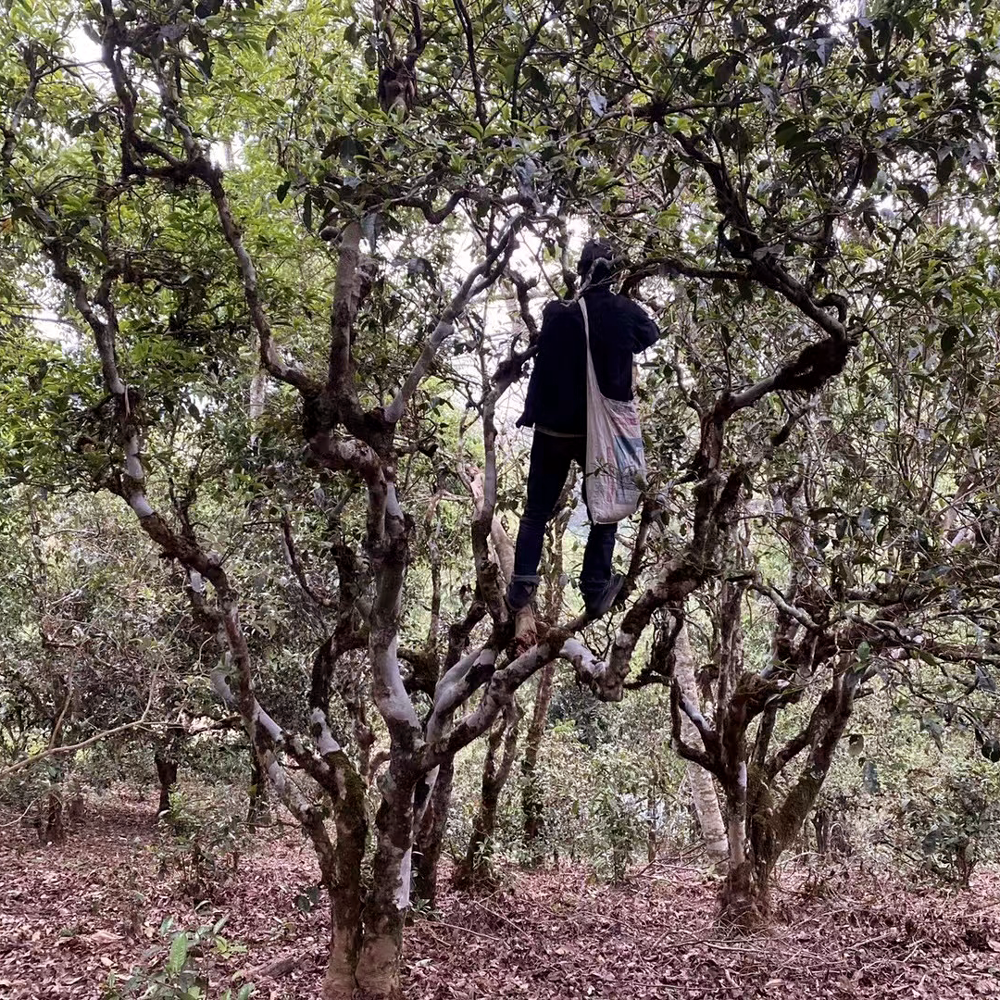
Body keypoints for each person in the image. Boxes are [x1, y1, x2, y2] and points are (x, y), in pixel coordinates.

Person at [507, 239, 659, 618]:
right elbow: (650, 335)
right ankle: (595, 589)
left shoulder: (556, 312)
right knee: (605, 512)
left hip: (552, 430)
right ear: (614, 275)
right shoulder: (626, 312)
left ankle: (522, 585)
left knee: (537, 510)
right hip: (598, 434)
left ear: (580, 272)